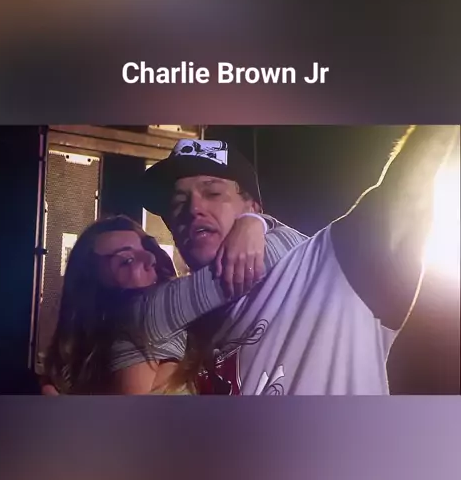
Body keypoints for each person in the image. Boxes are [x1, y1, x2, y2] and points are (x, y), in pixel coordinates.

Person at [110, 127, 460, 394]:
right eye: (177, 202)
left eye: (213, 192)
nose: (194, 208)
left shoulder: (330, 266)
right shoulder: (182, 331)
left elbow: (412, 182)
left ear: (252, 206)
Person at [42, 212, 304, 394]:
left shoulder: (102, 349)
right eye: (126, 261)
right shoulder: (143, 314)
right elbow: (290, 249)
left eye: (148, 246)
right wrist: (253, 222)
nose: (150, 258)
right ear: (94, 292)